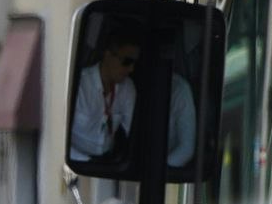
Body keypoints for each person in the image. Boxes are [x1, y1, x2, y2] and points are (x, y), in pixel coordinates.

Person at [68, 27, 195, 173]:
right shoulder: (79, 85)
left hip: (109, 161)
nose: (131, 69)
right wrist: (85, 162)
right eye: (127, 62)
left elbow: (134, 133)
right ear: (108, 55)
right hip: (77, 163)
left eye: (135, 62)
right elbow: (60, 136)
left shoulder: (127, 88)